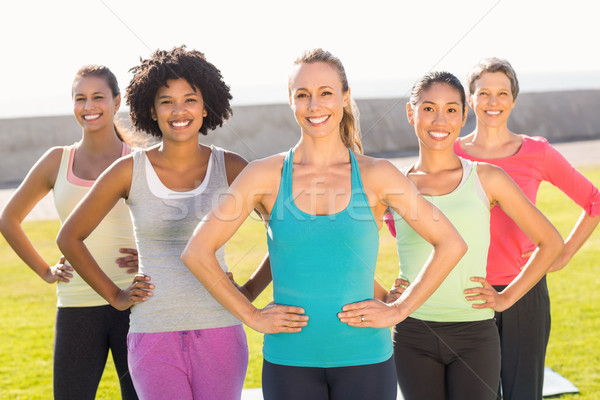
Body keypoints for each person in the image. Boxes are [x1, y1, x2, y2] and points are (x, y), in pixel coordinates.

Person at [181, 48, 468, 400]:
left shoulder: (377, 175)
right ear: (291, 101)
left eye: (326, 92)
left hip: (365, 358)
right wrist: (252, 316)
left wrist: (400, 309)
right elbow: (197, 251)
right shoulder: (264, 175)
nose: (314, 105)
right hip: (289, 361)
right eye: (303, 95)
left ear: (345, 98)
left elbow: (451, 243)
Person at [56, 46, 270, 400]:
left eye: (190, 99)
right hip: (153, 333)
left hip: (221, 329)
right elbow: (70, 237)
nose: (179, 111)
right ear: (151, 110)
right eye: (166, 101)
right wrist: (116, 295)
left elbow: (283, 232)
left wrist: (249, 291)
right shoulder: (129, 170)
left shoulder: (231, 167)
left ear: (206, 106)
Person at [381, 71, 564, 400]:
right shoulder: (393, 183)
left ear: (464, 116)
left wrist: (506, 298)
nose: (440, 120)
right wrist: (384, 295)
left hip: (475, 335)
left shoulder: (487, 178)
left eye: (451, 109)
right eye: (428, 108)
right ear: (410, 113)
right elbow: (345, 245)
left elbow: (550, 242)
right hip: (413, 334)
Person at [454, 57, 600, 400]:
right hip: (465, 292)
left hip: (525, 291)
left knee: (523, 394)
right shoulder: (450, 153)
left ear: (513, 100)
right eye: (484, 93)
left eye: (502, 93)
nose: (493, 102)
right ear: (470, 99)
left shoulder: (536, 152)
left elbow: (594, 201)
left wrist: (561, 256)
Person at [0, 65, 139, 399]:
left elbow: (176, 223)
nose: (88, 106)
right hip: (77, 304)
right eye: (80, 98)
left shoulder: (139, 161)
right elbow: (8, 220)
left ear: (116, 101)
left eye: (97, 97)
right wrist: (47, 272)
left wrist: (149, 256)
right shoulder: (57, 161)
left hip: (135, 304)